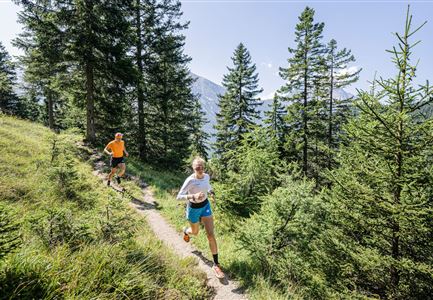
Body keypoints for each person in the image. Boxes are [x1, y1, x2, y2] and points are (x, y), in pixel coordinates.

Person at [176, 157, 225, 279]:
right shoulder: (190, 180)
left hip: (205, 206)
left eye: (202, 167)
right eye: (197, 167)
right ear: (193, 169)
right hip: (193, 209)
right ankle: (186, 231)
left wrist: (211, 192)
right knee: (195, 232)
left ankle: (216, 264)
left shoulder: (206, 176)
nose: (200, 169)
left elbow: (207, 185)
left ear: (204, 167)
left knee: (210, 235)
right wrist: (193, 196)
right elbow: (179, 196)